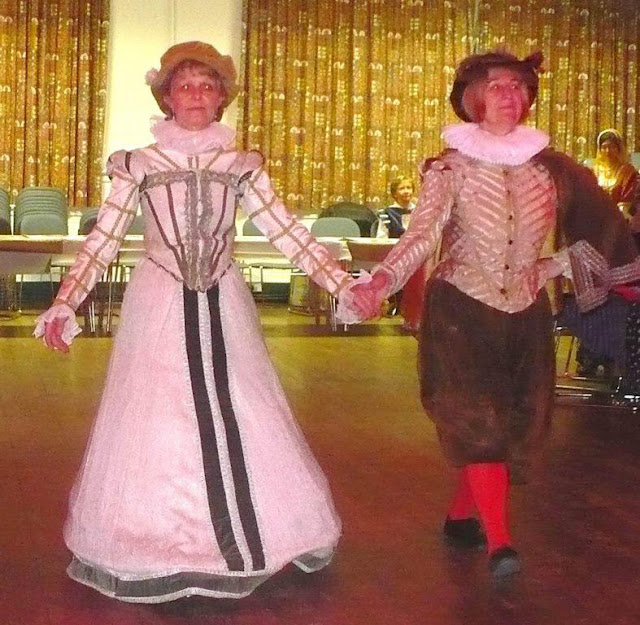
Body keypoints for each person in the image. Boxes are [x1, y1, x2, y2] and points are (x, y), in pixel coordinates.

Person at [34, 41, 369, 603]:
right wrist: (66, 301)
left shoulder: (239, 166)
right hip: (159, 301)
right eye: (185, 85)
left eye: (207, 86)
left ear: (221, 99)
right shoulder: (140, 164)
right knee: (159, 415)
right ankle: (157, 542)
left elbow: (286, 230)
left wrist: (342, 283)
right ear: (167, 97)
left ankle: (261, 536)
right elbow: (105, 238)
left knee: (242, 406)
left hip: (223, 297)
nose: (196, 94)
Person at [342, 50, 640, 578]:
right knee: (476, 416)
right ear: (472, 98)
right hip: (462, 308)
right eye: (496, 85)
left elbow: (604, 231)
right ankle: (500, 544)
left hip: (526, 312)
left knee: (516, 421)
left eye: (518, 86)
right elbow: (422, 236)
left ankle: (463, 515)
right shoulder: (450, 168)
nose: (508, 94)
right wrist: (382, 280)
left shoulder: (554, 169)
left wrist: (552, 266)